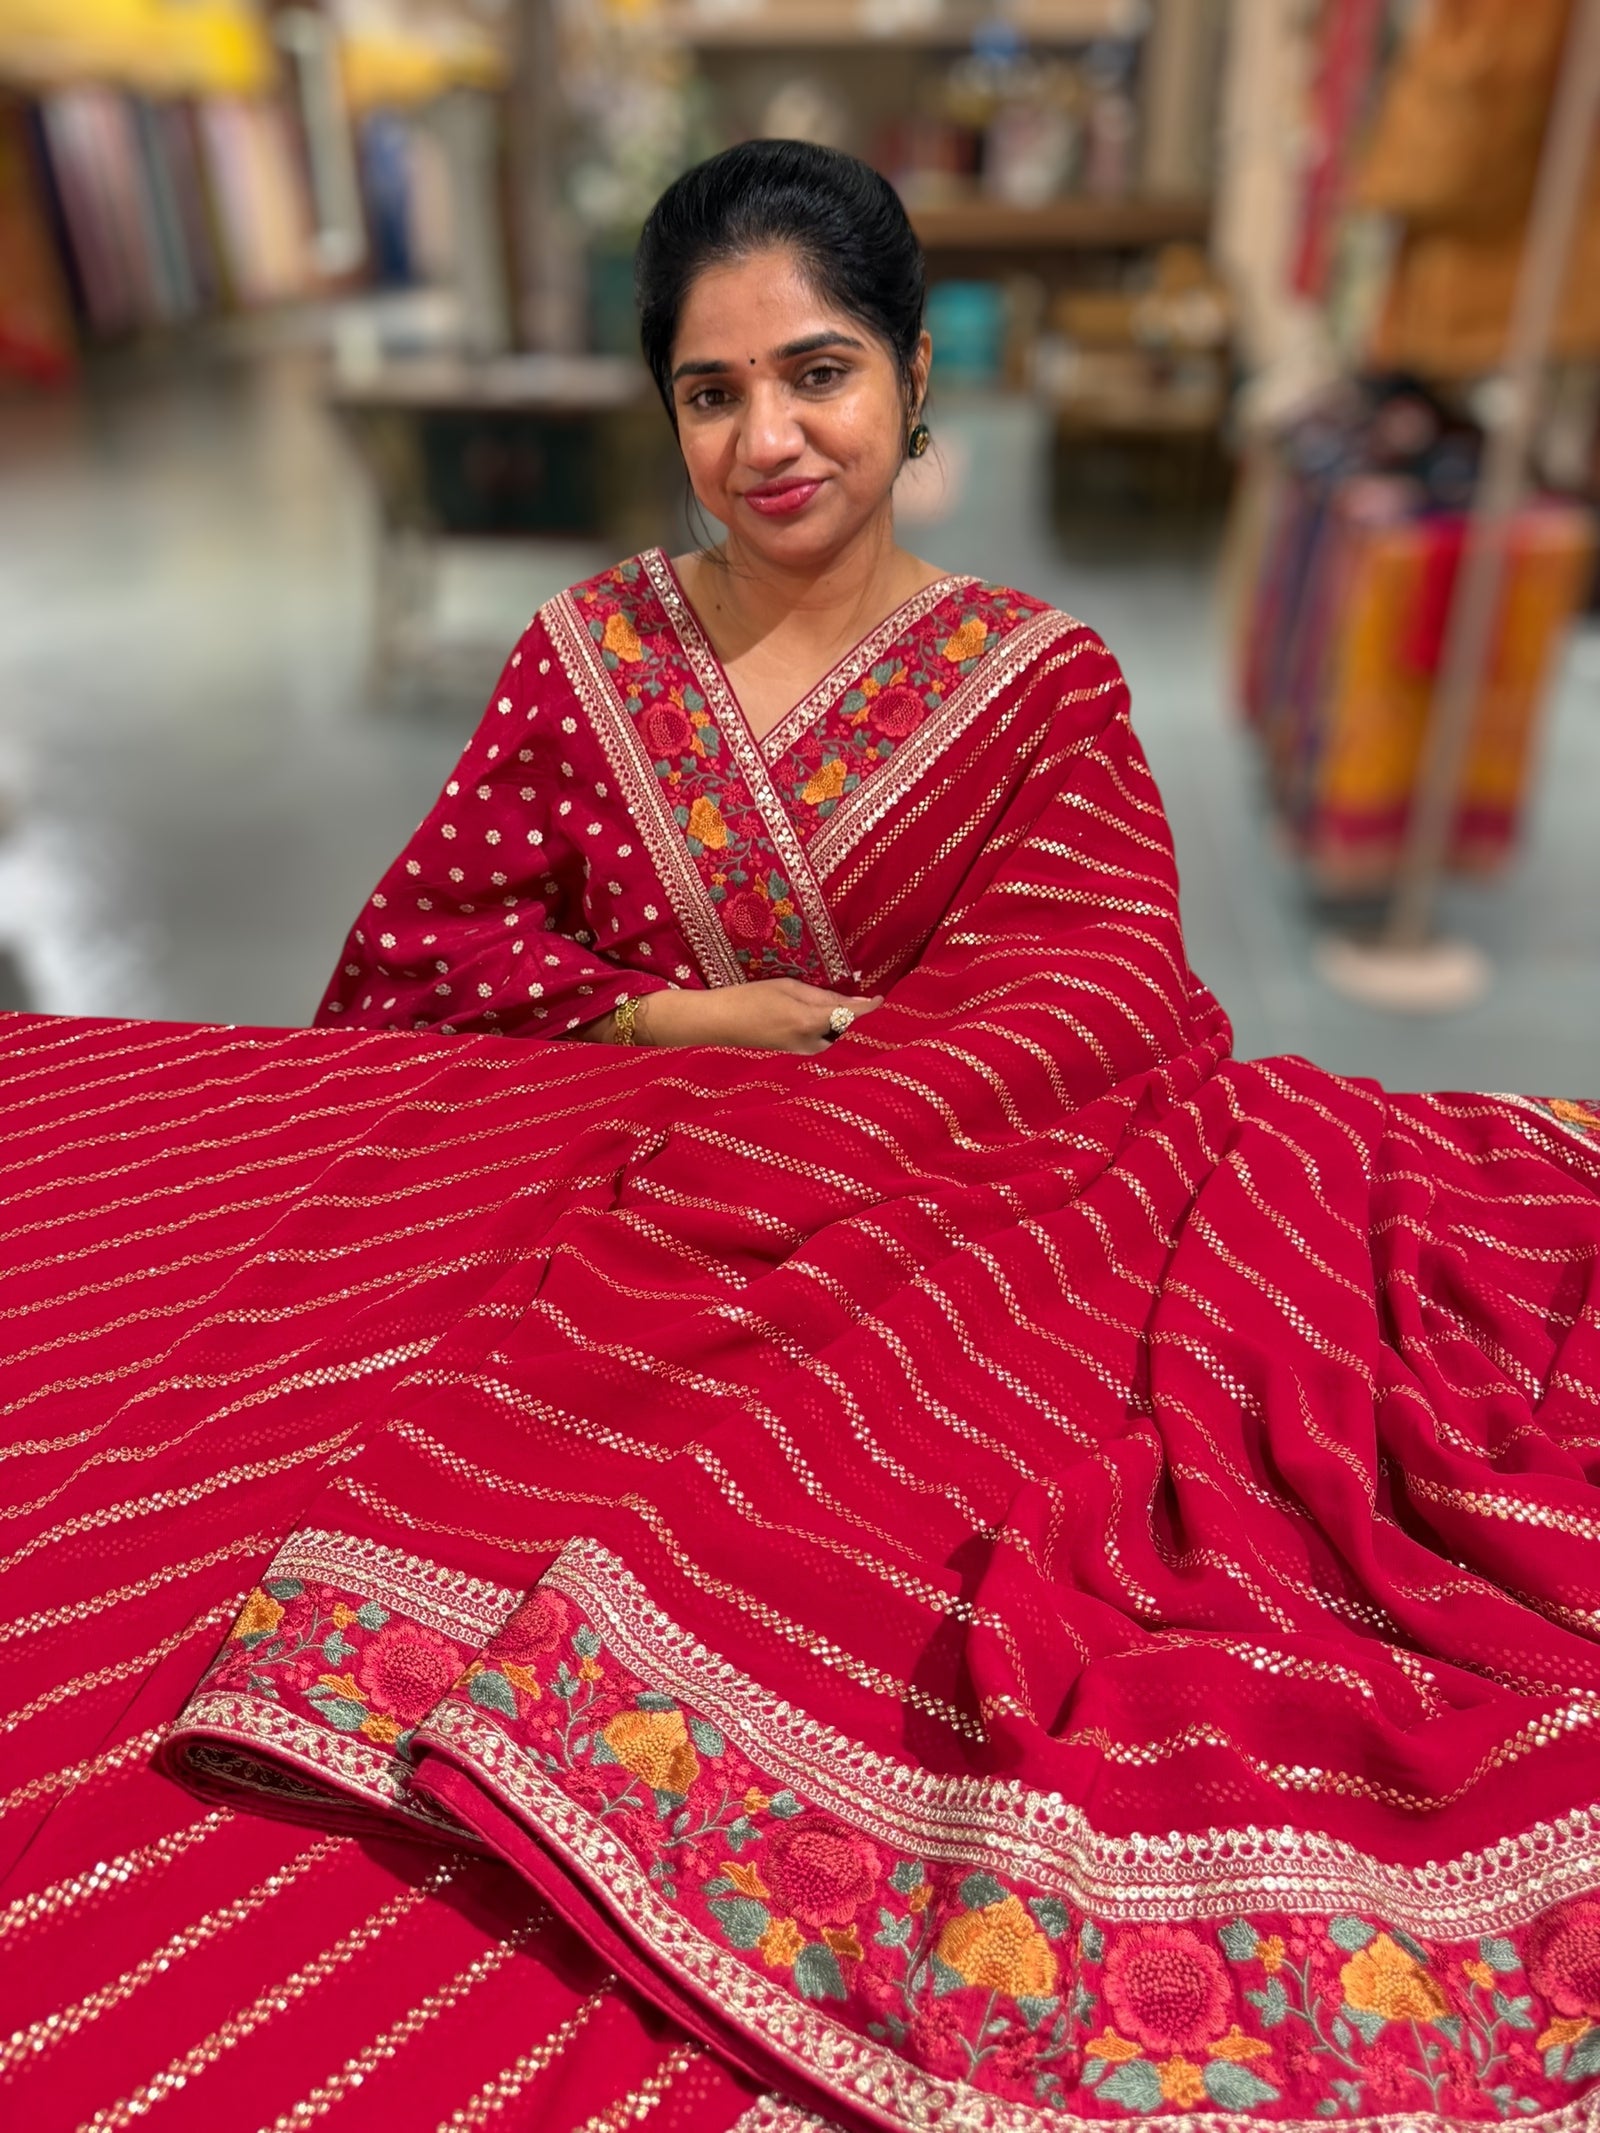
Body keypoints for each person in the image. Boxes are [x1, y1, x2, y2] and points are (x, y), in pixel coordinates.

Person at [4, 140, 1600, 2133]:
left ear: (916, 378)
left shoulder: (1039, 685)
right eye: (710, 387)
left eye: (818, 371)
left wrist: (834, 1115)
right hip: (571, 1189)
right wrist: (687, 1016)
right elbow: (426, 945)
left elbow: (1089, 998)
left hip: (943, 1239)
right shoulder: (591, 663)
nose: (770, 436)